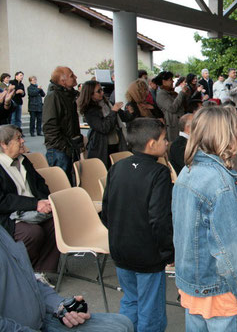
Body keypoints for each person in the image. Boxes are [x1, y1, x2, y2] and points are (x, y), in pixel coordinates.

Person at [172, 107, 237, 331]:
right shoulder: (220, 182)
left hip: (193, 285)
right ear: (228, 135)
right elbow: (229, 249)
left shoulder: (187, 171)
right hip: (218, 289)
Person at [101, 118, 174, 331]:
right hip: (148, 253)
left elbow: (106, 210)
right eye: (164, 139)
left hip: (120, 249)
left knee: (131, 300)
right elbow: (159, 219)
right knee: (151, 309)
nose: (167, 142)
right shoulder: (158, 173)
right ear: (151, 144)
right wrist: (168, 251)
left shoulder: (118, 167)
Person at [0, 226, 134, 332]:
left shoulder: (3, 233)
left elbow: (27, 280)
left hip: (41, 318)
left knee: (122, 324)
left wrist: (60, 306)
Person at [0, 124, 60, 276]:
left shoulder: (24, 161)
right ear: (3, 144)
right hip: (9, 216)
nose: (23, 142)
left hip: (32, 210)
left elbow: (40, 184)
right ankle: (21, 272)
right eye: (18, 139)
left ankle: (41, 271)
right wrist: (35, 204)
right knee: (33, 233)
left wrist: (44, 201)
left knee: (56, 223)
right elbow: (3, 201)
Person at [77, 81, 131, 168]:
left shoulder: (107, 103)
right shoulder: (89, 110)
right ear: (90, 94)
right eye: (99, 91)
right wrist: (113, 111)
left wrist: (130, 112)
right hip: (102, 147)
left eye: (102, 90)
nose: (102, 92)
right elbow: (104, 128)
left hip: (117, 142)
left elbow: (124, 117)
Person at [43, 66, 81, 177]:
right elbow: (49, 127)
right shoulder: (53, 96)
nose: (75, 77)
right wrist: (65, 147)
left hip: (68, 148)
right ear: (62, 80)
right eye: (71, 75)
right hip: (59, 151)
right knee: (62, 186)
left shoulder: (68, 96)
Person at [155, 71, 189, 142]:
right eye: (170, 79)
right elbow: (172, 108)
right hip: (172, 127)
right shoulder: (161, 95)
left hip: (178, 124)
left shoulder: (171, 92)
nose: (173, 81)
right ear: (164, 81)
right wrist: (181, 93)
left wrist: (186, 94)